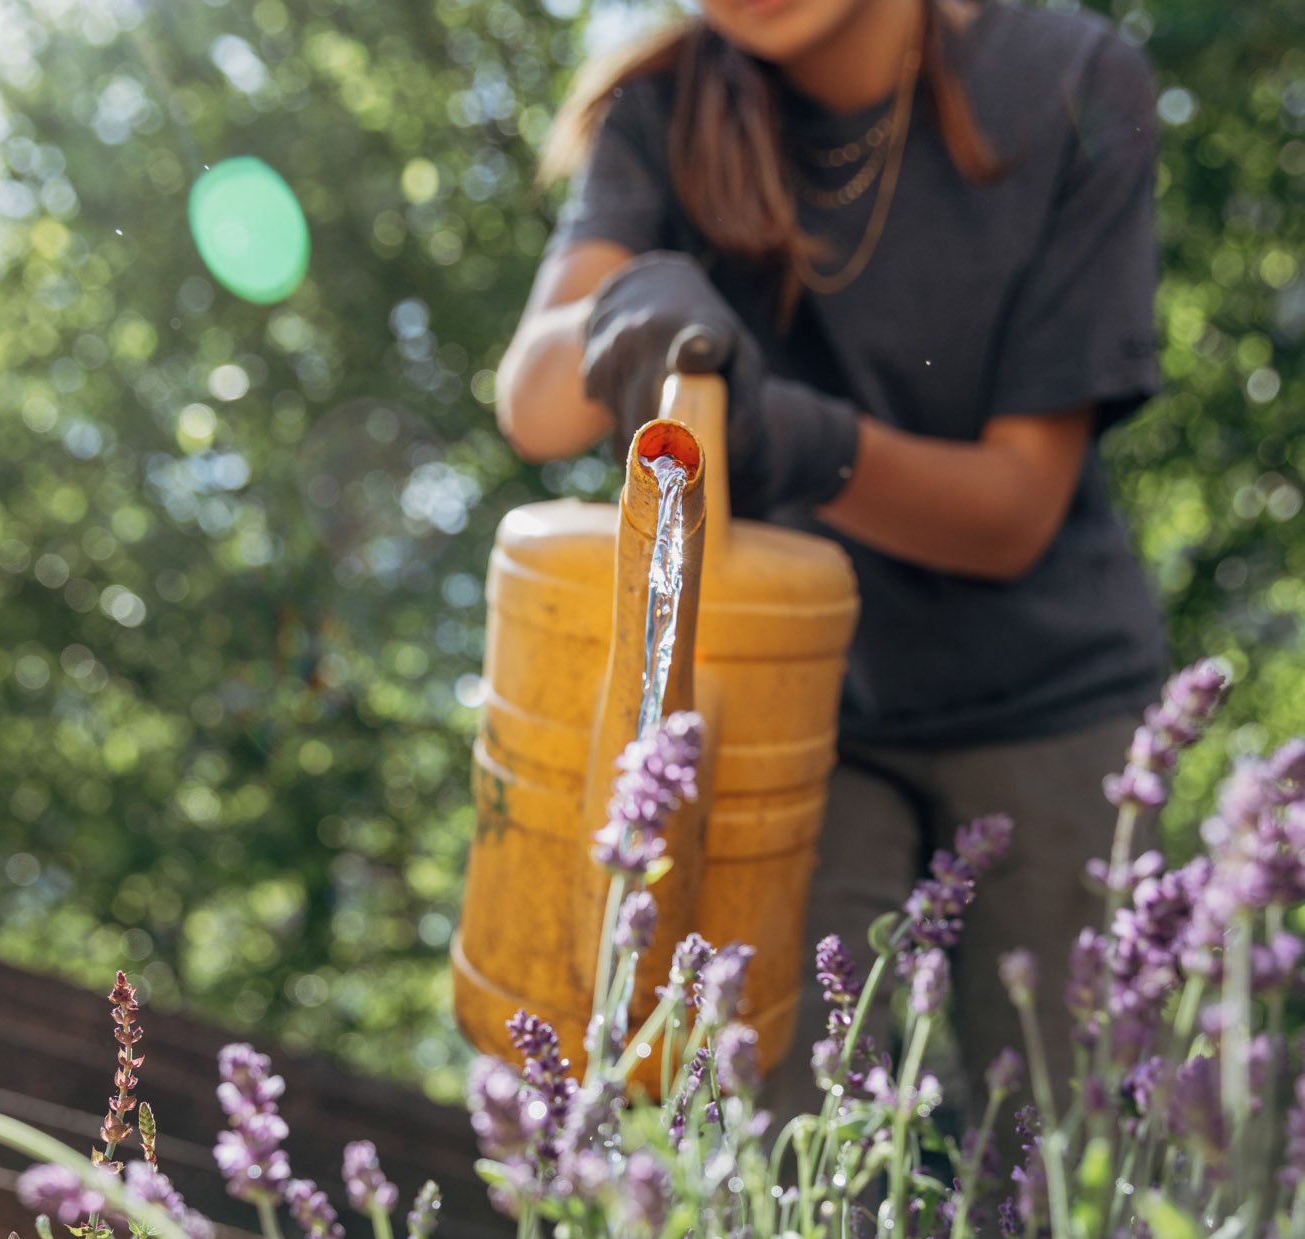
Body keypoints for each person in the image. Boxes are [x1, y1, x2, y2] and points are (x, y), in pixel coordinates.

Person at [495, 0, 1165, 1119]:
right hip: (800, 716)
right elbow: (534, 401)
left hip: (1050, 709)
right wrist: (628, 305)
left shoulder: (1073, 80)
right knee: (791, 1158)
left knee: (1074, 1167)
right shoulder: (659, 106)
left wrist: (794, 439)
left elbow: (1011, 514)